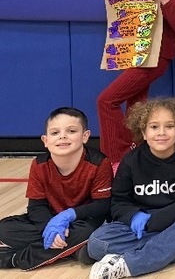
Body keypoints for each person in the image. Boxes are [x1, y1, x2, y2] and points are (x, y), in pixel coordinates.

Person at [87, 98, 175, 279]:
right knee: (97, 243)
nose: (161, 133)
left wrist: (168, 214)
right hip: (145, 227)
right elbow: (119, 202)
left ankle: (129, 265)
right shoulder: (131, 161)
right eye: (154, 127)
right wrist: (133, 215)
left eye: (169, 126)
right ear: (143, 132)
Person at [97, 0, 175, 165]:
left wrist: (164, 0)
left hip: (156, 59)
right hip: (138, 54)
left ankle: (116, 157)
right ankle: (137, 156)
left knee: (106, 101)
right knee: (136, 108)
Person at [0, 108, 112, 270]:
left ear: (85, 136)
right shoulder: (39, 165)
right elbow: (36, 207)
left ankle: (16, 259)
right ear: (45, 140)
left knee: (86, 232)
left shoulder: (99, 163)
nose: (62, 136)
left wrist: (70, 215)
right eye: (55, 133)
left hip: (84, 221)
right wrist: (50, 227)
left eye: (71, 131)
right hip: (52, 219)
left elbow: (102, 206)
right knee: (5, 228)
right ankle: (73, 250)